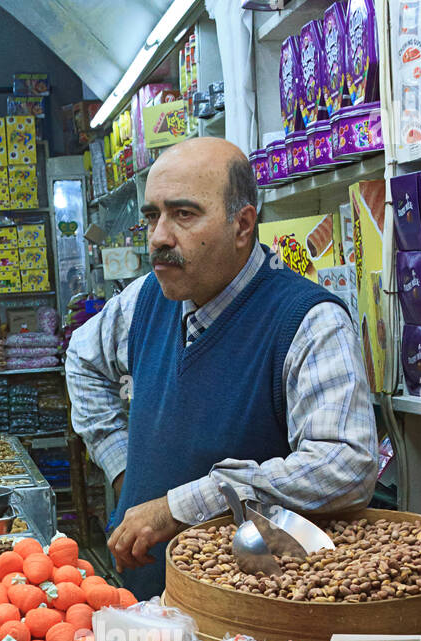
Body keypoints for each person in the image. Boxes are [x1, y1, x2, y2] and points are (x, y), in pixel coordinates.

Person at [65, 137, 378, 601]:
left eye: (184, 215)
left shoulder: (308, 321)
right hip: (150, 600)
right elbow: (82, 359)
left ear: (243, 225)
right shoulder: (148, 297)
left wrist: (183, 505)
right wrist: (125, 469)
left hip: (252, 617)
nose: (158, 238)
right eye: (152, 216)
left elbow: (346, 464)